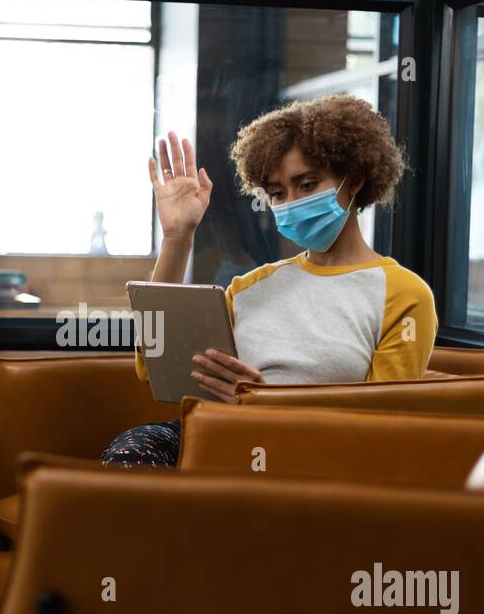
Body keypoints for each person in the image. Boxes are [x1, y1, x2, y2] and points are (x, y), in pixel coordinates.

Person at [101, 94, 437, 467]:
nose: (290, 201)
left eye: (307, 185)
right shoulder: (250, 286)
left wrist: (266, 404)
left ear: (354, 180)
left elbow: (380, 426)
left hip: (306, 454)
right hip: (218, 434)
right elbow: (156, 363)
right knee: (131, 456)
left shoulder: (405, 295)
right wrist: (178, 239)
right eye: (277, 193)